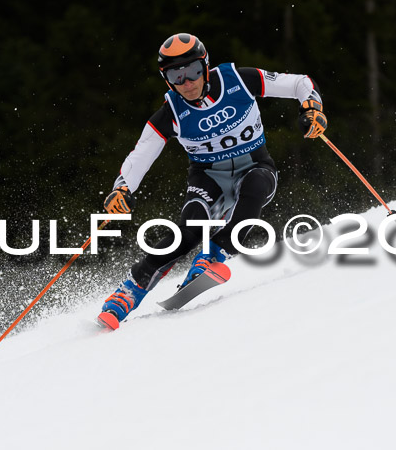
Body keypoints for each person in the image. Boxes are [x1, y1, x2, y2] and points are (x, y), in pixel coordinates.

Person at [98, 33, 327, 328]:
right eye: (175, 76)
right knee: (191, 225)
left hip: (256, 167)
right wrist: (122, 188)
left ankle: (214, 254)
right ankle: (130, 290)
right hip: (209, 178)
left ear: (205, 66)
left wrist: (312, 106)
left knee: (255, 187)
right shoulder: (171, 113)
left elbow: (299, 83)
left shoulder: (239, 80)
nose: (187, 82)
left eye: (192, 71)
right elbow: (141, 155)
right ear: (166, 79)